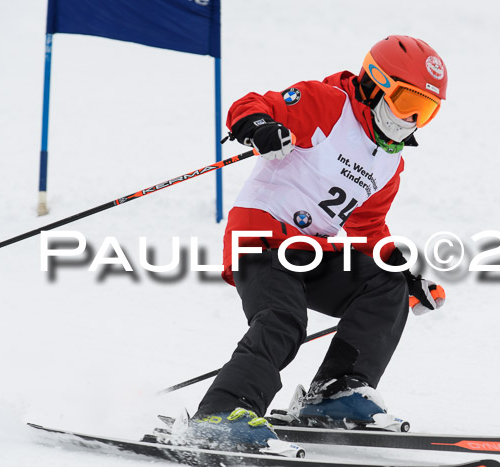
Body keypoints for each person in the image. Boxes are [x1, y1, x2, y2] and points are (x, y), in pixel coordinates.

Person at [181, 35, 448, 454]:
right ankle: (221, 412)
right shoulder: (326, 103)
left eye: (425, 111)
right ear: (376, 82)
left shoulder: (389, 163)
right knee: (283, 320)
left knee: (386, 284)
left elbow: (368, 225)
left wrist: (401, 268)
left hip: (312, 254)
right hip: (262, 241)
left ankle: (336, 392)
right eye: (405, 102)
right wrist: (257, 127)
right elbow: (252, 104)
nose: (411, 119)